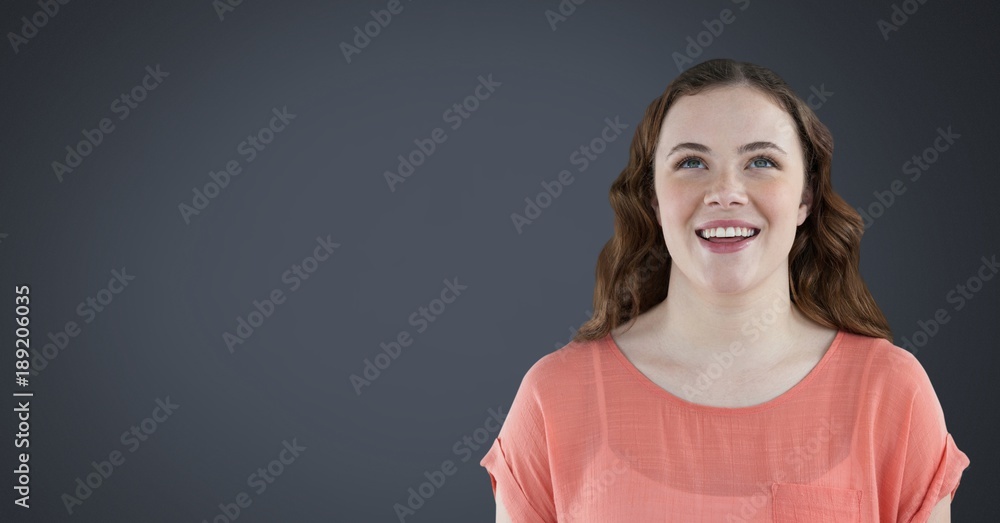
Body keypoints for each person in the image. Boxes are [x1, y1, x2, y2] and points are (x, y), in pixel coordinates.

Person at [480, 58, 970, 522]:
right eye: (692, 162)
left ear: (806, 197)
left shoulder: (891, 393)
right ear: (653, 197)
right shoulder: (554, 398)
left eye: (761, 161)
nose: (726, 192)